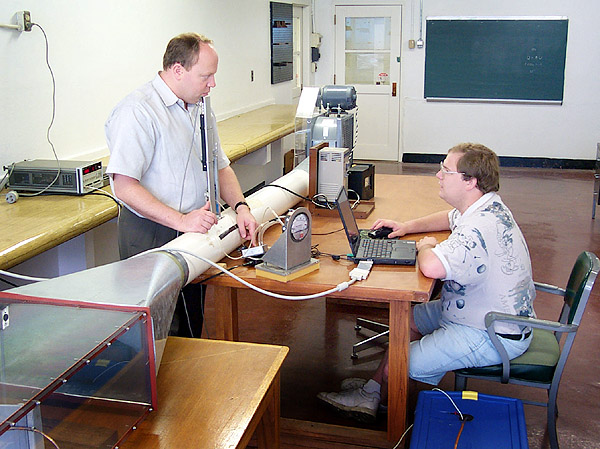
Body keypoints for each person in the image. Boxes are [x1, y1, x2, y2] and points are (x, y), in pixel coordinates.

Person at [318, 143, 536, 422]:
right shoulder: (485, 206)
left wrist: (426, 246)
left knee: (402, 359)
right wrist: (407, 227)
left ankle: (383, 404)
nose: (438, 175)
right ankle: (372, 392)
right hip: (485, 311)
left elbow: (431, 265)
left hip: (491, 332)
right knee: (405, 320)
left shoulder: (478, 228)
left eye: (446, 170)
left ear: (470, 182)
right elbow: (448, 217)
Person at [105, 32, 257, 337]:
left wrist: (241, 207)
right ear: (178, 70)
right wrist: (181, 220)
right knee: (159, 331)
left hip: (192, 229)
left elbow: (220, 165)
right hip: (151, 232)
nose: (212, 84)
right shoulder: (138, 111)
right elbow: (124, 186)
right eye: (206, 76)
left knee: (190, 324)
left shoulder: (198, 106)